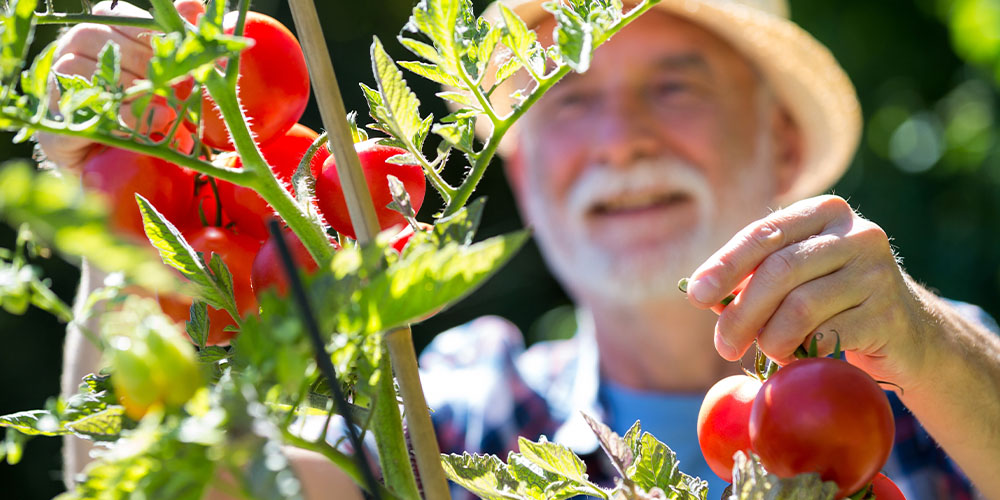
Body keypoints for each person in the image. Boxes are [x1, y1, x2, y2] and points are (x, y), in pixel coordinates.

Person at [40, 0, 1000, 499]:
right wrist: (120, 219)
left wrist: (934, 349)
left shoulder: (924, 384)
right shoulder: (455, 410)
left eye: (675, 87)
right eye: (571, 100)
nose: (621, 138)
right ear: (528, 166)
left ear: (782, 142)